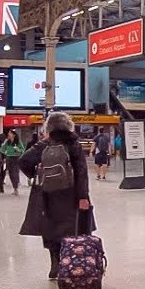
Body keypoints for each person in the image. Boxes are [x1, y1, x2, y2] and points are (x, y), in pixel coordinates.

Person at [18, 112, 94, 280]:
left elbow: (23, 161)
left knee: (51, 229)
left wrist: (37, 175)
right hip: (71, 194)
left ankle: (55, 264)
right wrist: (83, 197)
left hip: (48, 195)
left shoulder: (45, 144)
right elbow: (81, 172)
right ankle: (72, 264)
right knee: (73, 229)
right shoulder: (74, 144)